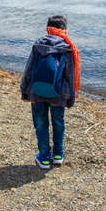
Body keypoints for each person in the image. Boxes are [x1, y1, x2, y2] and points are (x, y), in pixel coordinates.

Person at [20, 15, 80, 169]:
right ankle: (58, 155)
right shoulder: (67, 47)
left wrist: (25, 93)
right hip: (59, 95)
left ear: (48, 29)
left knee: (40, 124)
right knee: (58, 122)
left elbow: (29, 69)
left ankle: (45, 158)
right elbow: (70, 75)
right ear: (65, 30)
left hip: (37, 92)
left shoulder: (38, 44)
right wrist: (71, 98)